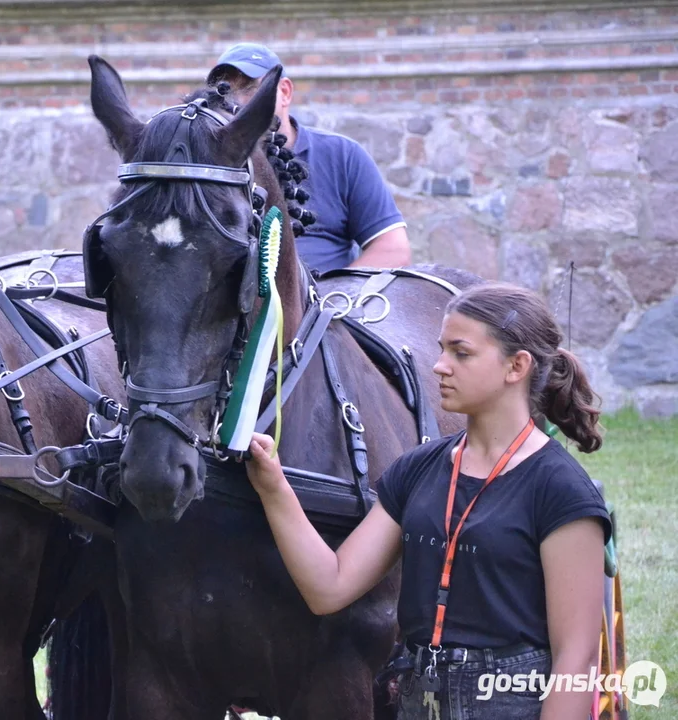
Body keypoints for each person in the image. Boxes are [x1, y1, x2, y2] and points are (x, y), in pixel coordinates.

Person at [245, 282, 612, 720]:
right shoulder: (416, 469)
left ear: (517, 366)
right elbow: (330, 587)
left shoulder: (562, 491)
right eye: (441, 350)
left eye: (461, 353)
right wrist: (274, 489)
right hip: (419, 703)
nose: (438, 366)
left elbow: (577, 657)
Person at [208, 43, 411, 274]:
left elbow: (392, 248)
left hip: (332, 304)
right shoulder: (209, 164)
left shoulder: (342, 155)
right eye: (225, 92)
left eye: (249, 89)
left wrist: (333, 298)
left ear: (284, 92)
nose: (236, 102)